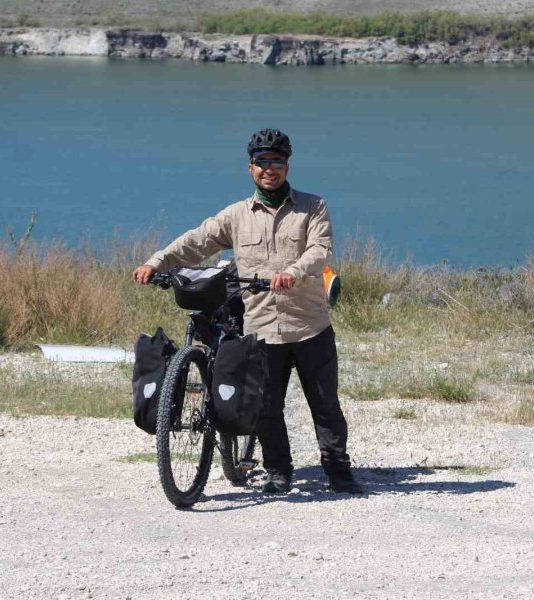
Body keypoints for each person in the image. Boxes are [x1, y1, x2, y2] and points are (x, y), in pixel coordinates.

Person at [132, 129, 363, 495]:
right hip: (261, 326)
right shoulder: (236, 215)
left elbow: (320, 249)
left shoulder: (312, 206)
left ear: (287, 165)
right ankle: (278, 470)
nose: (269, 169)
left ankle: (337, 469)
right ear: (250, 167)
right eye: (261, 163)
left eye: (276, 162)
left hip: (309, 325)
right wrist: (156, 261)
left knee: (325, 404)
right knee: (266, 405)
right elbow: (197, 241)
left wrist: (294, 272)